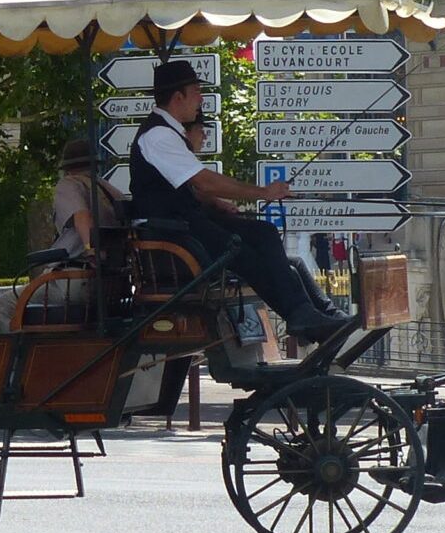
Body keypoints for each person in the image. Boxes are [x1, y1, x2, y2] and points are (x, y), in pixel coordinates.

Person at [129, 59, 349, 342]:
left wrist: (215, 203)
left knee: (265, 233)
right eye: (196, 91)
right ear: (177, 97)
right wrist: (263, 192)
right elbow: (202, 180)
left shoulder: (167, 133)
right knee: (243, 253)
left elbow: (188, 187)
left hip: (187, 222)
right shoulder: (158, 135)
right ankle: (301, 316)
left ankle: (309, 313)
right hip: (173, 231)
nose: (201, 98)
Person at [50, 135, 128, 258]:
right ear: (95, 165)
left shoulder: (68, 184)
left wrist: (91, 250)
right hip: (116, 259)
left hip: (78, 263)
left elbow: (82, 217)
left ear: (66, 168)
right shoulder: (108, 188)